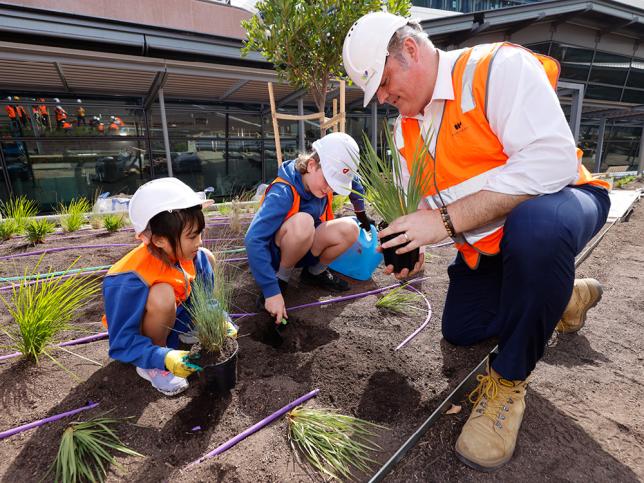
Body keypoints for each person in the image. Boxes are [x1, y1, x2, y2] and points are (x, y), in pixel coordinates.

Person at [343, 12, 611, 472]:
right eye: (377, 94)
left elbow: (553, 164)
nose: (385, 99)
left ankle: (507, 383)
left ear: (409, 49)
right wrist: (412, 246)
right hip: (489, 242)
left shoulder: (495, 69)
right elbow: (426, 208)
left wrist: (444, 221)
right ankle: (559, 295)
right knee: (462, 330)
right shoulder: (406, 128)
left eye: (384, 82)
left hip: (563, 204)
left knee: (536, 227)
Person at [101, 177, 237, 396]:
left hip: (177, 319)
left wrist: (218, 317)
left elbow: (206, 299)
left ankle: (190, 329)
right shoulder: (127, 279)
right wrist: (163, 357)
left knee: (207, 257)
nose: (199, 241)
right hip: (141, 342)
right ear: (159, 240)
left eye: (200, 233)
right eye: (192, 236)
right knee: (162, 295)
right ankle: (154, 365)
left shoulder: (192, 257)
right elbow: (120, 342)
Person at [244, 132, 373, 325]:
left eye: (334, 185)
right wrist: (271, 291)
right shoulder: (283, 192)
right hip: (277, 254)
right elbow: (253, 239)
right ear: (311, 165)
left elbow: (356, 185)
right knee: (303, 222)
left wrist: (361, 215)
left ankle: (314, 273)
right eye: (328, 181)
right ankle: (281, 279)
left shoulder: (322, 180)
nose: (330, 189)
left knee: (351, 228)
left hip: (306, 245)